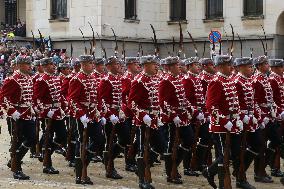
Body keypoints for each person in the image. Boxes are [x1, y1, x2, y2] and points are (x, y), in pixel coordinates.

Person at [205, 55, 243, 189]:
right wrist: (223, 121)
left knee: (232, 154)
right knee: (224, 155)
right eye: (228, 65)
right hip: (220, 126)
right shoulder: (216, 81)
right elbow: (211, 106)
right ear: (220, 67)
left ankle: (209, 171)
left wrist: (237, 118)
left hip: (231, 122)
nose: (232, 67)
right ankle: (223, 185)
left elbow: (234, 102)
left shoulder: (229, 79)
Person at [1, 55, 36, 180]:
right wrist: (12, 111)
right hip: (16, 116)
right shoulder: (12, 79)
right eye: (27, 64)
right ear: (21, 65)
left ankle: (15, 160)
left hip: (27, 114)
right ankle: (17, 169)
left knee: (32, 139)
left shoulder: (28, 77)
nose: (30, 66)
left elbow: (30, 97)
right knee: (17, 141)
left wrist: (33, 109)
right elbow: (3, 98)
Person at [68, 55, 99, 185]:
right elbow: (72, 99)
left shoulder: (92, 77)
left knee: (99, 139)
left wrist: (97, 112)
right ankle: (79, 174)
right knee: (81, 143)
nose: (93, 65)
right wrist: (81, 114)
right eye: (91, 63)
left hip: (92, 114)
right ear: (84, 64)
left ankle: (84, 161)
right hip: (81, 116)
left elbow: (95, 98)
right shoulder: (77, 79)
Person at [33, 57, 67, 174]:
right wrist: (46, 111)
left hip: (57, 111)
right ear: (45, 66)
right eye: (51, 64)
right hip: (48, 113)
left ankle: (45, 153)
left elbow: (59, 95)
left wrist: (62, 107)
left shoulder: (56, 78)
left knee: (63, 135)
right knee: (48, 138)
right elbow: (37, 98)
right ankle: (47, 165)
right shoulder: (41, 80)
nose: (54, 66)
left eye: (54, 64)